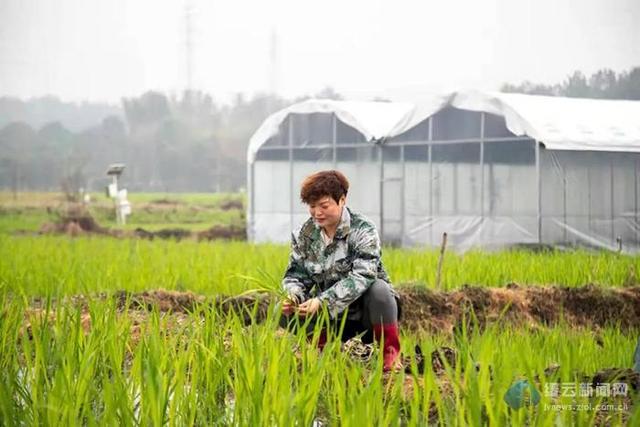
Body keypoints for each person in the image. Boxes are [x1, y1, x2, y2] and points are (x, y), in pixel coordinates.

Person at [279, 170, 402, 371]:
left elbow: (364, 275)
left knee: (379, 288)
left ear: (342, 200)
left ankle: (390, 353)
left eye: (324, 206)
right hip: (330, 319)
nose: (317, 212)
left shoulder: (363, 229)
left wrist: (322, 301)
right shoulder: (305, 234)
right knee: (282, 311)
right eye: (312, 206)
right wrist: (294, 296)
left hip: (365, 314)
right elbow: (295, 275)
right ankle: (327, 352)